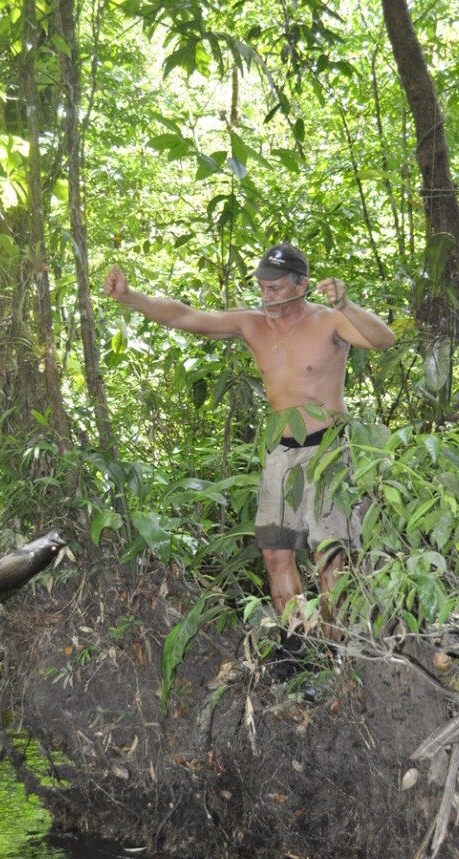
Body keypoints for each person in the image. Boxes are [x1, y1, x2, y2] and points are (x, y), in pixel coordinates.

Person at [103, 242, 396, 644]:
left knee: (329, 556)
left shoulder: (329, 321)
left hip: (327, 451)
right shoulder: (252, 323)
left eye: (275, 288)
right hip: (280, 453)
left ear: (301, 285)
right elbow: (185, 316)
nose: (266, 296)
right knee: (275, 553)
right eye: (262, 287)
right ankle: (299, 646)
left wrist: (346, 304)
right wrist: (130, 297)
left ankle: (340, 649)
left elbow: (383, 340)